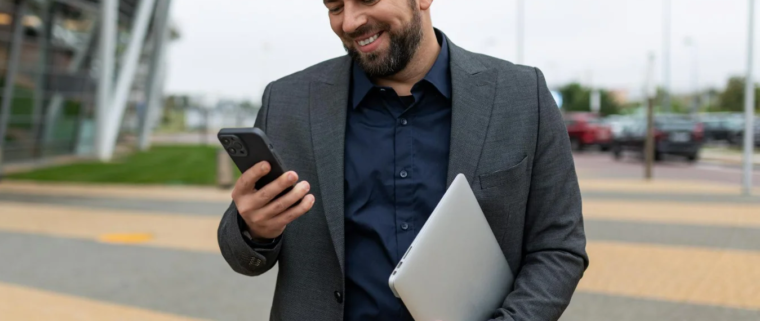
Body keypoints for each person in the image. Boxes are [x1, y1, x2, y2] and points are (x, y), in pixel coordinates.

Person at [217, 0, 589, 320]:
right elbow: (243, 255)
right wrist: (254, 229)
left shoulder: (523, 97)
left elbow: (558, 248)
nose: (349, 21)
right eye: (334, 7)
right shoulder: (287, 103)